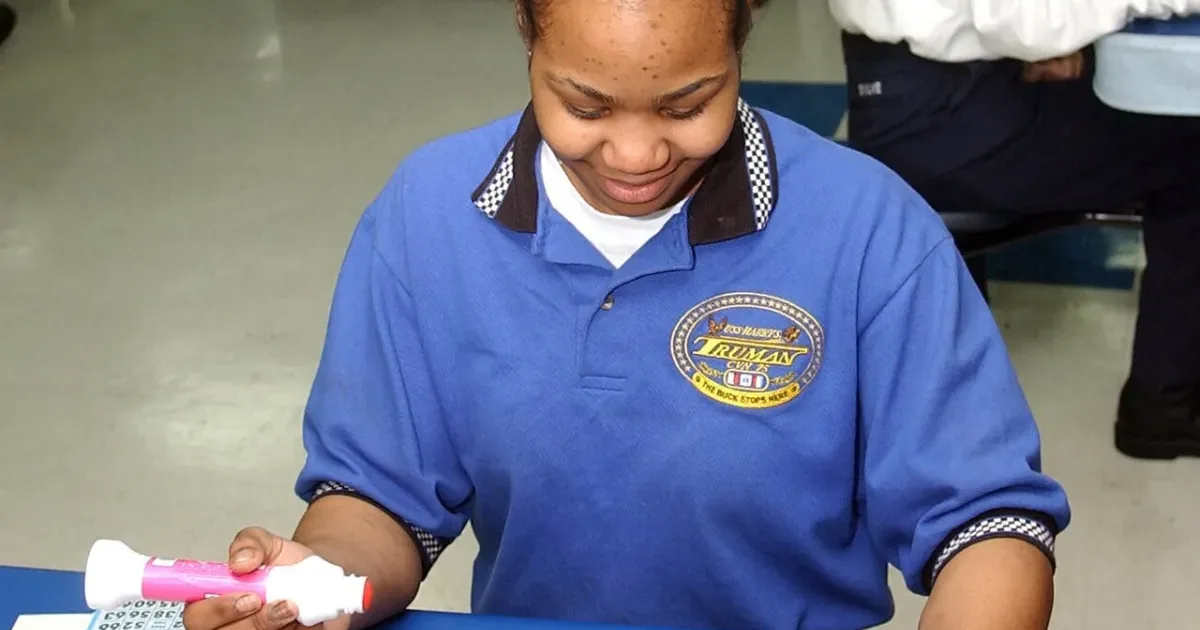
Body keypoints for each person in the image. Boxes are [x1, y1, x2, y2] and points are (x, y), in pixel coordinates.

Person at [181, 1, 1069, 629]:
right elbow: (376, 500)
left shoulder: (871, 229)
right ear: (526, 30)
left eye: (690, 104)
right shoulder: (426, 217)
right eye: (585, 105)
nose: (637, 155)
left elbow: (986, 525)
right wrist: (324, 584)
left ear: (744, 31)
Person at [832, 0, 1200, 460]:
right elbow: (1027, 21)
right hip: (944, 119)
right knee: (1190, 151)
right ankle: (1162, 405)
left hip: (907, 92)